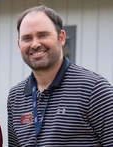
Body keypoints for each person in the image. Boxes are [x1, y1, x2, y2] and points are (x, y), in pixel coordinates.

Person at [7, 5, 113, 147]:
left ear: (61, 38)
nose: (35, 44)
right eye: (27, 38)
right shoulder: (15, 97)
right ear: (19, 45)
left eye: (43, 35)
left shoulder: (94, 89)